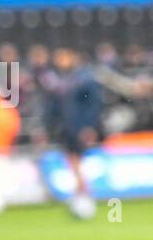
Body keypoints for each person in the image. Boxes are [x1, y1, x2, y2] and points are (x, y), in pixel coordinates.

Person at [39, 48, 104, 218]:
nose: (59, 60)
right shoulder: (60, 81)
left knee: (76, 162)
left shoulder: (84, 80)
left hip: (79, 127)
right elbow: (52, 107)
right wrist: (48, 127)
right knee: (73, 161)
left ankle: (83, 195)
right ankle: (81, 195)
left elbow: (93, 105)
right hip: (65, 128)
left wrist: (89, 126)